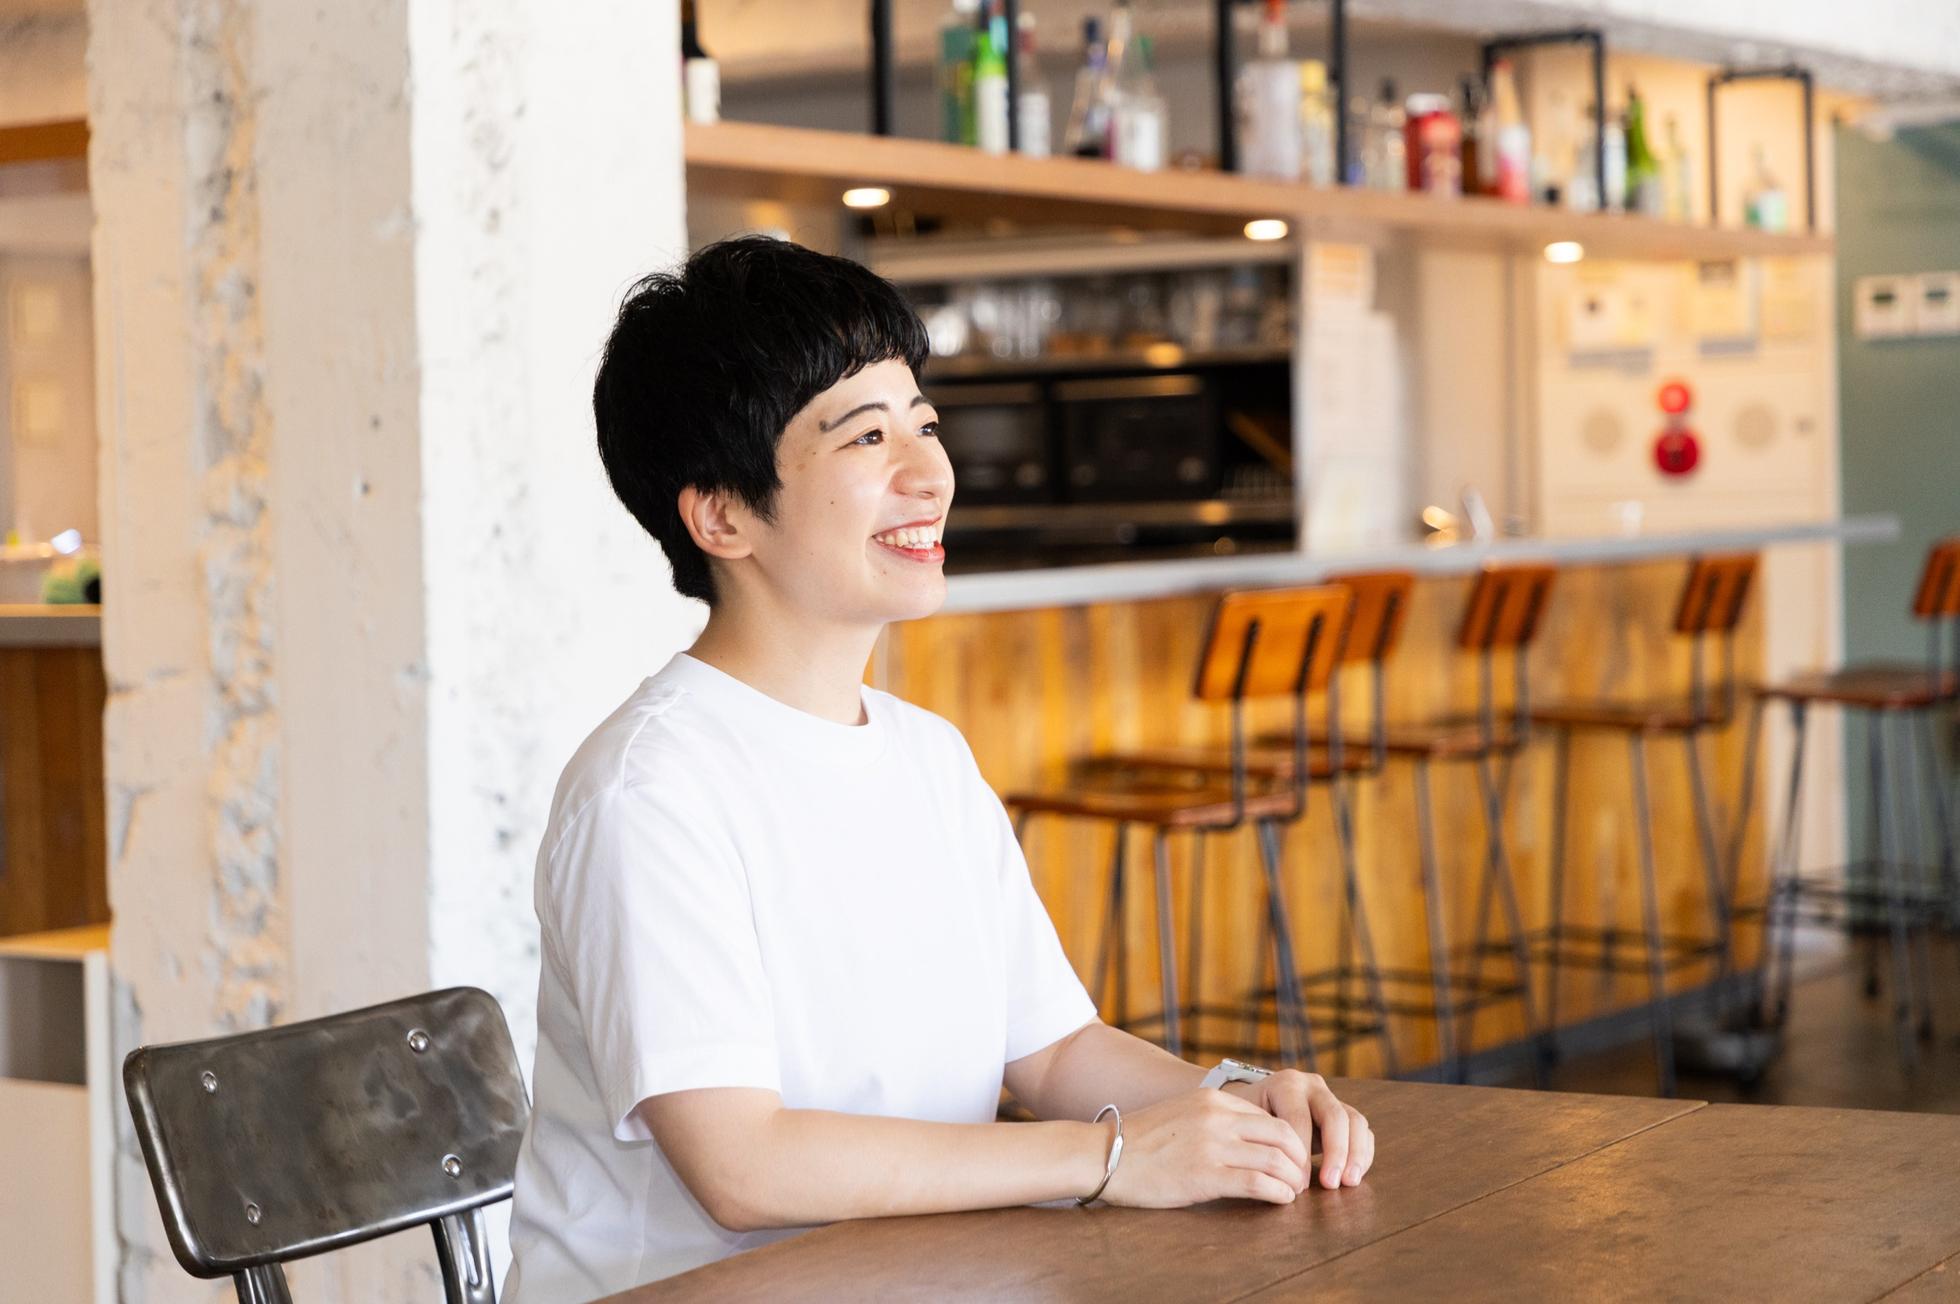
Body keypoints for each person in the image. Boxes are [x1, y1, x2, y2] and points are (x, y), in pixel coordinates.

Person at [503, 235, 1375, 1303]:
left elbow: (1054, 1052)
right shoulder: (649, 792)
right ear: (722, 514)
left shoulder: (928, 754)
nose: (930, 474)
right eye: (867, 437)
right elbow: (743, 1164)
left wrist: (1234, 1102)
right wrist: (1109, 1159)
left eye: (923, 423)